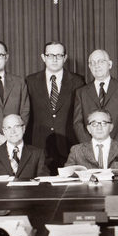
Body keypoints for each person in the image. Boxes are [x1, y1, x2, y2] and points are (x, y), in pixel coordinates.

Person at [26, 41, 85, 173]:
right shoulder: (30, 81)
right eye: (50, 55)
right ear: (43, 57)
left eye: (59, 55)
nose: (54, 59)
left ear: (65, 57)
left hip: (68, 145)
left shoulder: (78, 81)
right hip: (39, 146)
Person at [65, 110, 118, 176]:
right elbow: (66, 175)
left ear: (111, 127)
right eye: (94, 123)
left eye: (104, 123)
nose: (99, 127)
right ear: (89, 129)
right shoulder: (76, 150)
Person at [73, 49, 118, 143]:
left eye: (101, 61)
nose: (96, 65)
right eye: (92, 63)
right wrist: (90, 146)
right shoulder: (81, 92)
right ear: (89, 67)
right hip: (90, 147)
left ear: (110, 64)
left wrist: (116, 145)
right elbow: (78, 123)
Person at [0, 114, 48, 179]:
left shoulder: (37, 154)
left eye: (16, 127)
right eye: (8, 128)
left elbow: (45, 182)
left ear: (23, 129)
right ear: (4, 131)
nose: (13, 131)